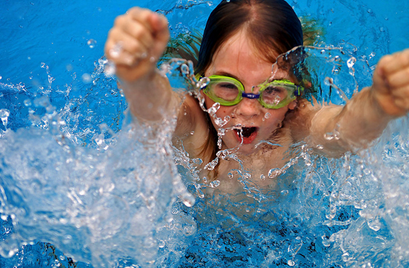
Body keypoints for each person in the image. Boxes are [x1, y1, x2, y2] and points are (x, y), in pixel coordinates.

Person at [105, 0, 409, 194]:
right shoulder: (194, 121)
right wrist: (138, 76)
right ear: (200, 83)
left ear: (294, 94)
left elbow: (341, 131)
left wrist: (377, 104)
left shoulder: (296, 124)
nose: (248, 109)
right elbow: (156, 111)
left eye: (273, 90)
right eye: (226, 87)